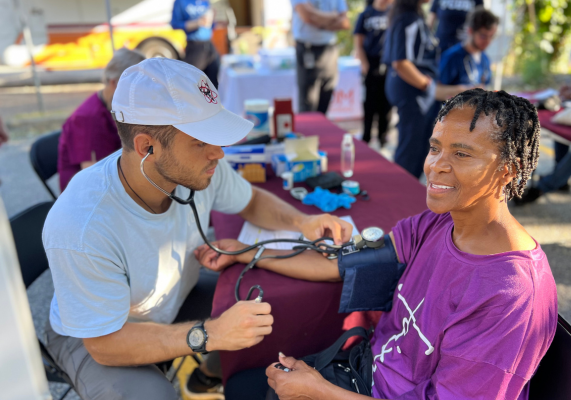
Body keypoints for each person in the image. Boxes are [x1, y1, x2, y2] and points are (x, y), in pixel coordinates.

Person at [198, 89, 557, 400]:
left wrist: (318, 391)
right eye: (435, 148)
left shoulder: (510, 294)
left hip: (361, 386)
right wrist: (250, 252)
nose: (436, 166)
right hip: (365, 374)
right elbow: (339, 263)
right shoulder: (435, 224)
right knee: (247, 383)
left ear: (507, 171)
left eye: (461, 154)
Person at [43, 58, 353, 400]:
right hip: (98, 331)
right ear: (147, 147)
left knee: (272, 301)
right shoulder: (81, 225)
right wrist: (210, 334)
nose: (219, 153)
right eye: (202, 141)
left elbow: (250, 201)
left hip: (173, 294)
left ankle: (206, 377)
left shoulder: (191, 167)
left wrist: (302, 221)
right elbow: (104, 344)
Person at [383, 0, 468, 179]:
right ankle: (401, 194)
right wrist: (427, 86)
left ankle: (408, 191)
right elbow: (400, 62)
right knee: (410, 152)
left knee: (422, 148)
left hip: (418, 94)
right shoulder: (407, 18)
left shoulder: (415, 15)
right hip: (412, 93)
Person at [58, 48, 145, 191]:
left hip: (114, 177)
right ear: (114, 83)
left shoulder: (114, 106)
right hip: (86, 195)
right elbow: (93, 179)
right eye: (136, 87)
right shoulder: (87, 118)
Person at [291, 0, 350, 114]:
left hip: (329, 49)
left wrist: (319, 21)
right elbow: (307, 16)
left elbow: (345, 22)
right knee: (308, 102)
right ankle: (307, 132)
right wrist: (333, 16)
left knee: (326, 96)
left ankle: (321, 129)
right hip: (307, 48)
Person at [354, 0, 393, 147]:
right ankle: (366, 137)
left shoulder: (393, 12)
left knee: (386, 104)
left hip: (389, 65)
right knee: (369, 104)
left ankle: (383, 137)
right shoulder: (366, 14)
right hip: (371, 64)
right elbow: (358, 42)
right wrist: (364, 64)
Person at [438, 6, 498, 88]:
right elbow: (436, 90)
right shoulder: (452, 58)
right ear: (470, 31)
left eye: (491, 36)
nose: (488, 41)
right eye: (483, 36)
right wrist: (461, 92)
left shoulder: (485, 60)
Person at [171, 0, 221, 87]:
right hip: (194, 45)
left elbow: (211, 26)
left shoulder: (205, 1)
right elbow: (175, 24)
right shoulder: (180, 2)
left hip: (209, 44)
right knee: (194, 81)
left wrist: (212, 19)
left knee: (214, 80)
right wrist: (197, 23)